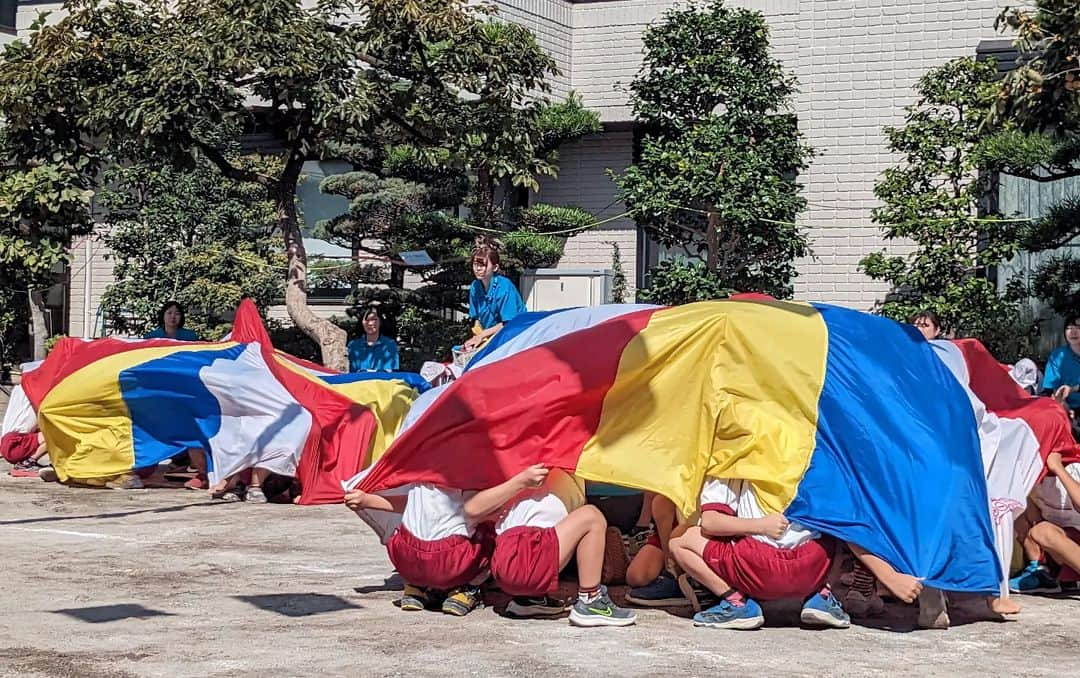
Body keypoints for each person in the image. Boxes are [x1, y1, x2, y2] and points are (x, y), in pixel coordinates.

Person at [463, 465, 637, 627]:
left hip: (505, 558)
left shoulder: (521, 467)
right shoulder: (541, 470)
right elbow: (471, 509)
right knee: (592, 516)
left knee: (562, 528)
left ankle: (530, 599)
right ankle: (591, 599)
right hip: (528, 551)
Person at [668, 477, 849, 630]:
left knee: (679, 540)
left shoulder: (731, 460)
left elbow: (711, 523)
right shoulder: (807, 451)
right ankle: (823, 596)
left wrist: (760, 526)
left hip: (757, 567)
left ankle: (737, 603)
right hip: (813, 566)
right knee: (839, 527)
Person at [344, 482, 490, 616]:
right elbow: (478, 510)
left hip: (406, 560)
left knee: (411, 518)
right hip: (451, 563)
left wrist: (366, 500)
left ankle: (415, 587)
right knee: (491, 527)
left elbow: (408, 503)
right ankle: (468, 588)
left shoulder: (422, 472)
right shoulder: (472, 472)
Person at [1011, 452, 1080, 594]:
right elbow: (1033, 514)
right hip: (1058, 546)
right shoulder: (1037, 471)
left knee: (1042, 531)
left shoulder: (1074, 465)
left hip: (1073, 538)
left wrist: (1058, 469)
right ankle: (1039, 570)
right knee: (1014, 506)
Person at [625, 494, 690, 607]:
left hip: (699, 525)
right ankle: (670, 570)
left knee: (679, 533)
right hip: (673, 522)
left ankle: (683, 580)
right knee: (636, 576)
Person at [462, 243, 526, 352]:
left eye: (482, 265)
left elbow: (508, 322)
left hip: (514, 335)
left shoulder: (504, 286)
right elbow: (477, 318)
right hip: (490, 335)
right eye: (475, 264)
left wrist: (482, 336)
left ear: (495, 267)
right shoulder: (475, 286)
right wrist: (477, 336)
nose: (478, 269)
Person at [348, 306, 400, 372]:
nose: (370, 323)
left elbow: (390, 372)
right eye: (366, 320)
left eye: (374, 319)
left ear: (380, 321)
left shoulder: (390, 344)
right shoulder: (353, 345)